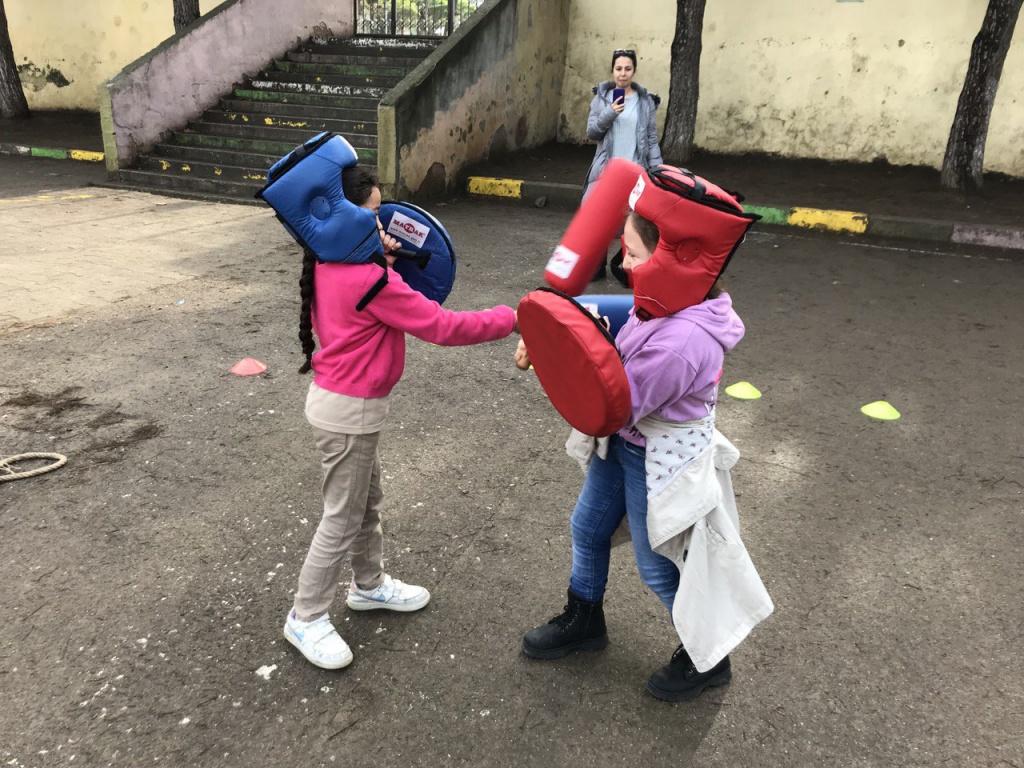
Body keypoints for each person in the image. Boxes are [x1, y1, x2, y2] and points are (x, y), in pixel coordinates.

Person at [515, 209, 761, 703]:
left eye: (633, 252)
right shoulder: (665, 303)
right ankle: (585, 617)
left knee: (657, 566)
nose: (622, 263)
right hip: (629, 443)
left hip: (657, 456)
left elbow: (608, 407)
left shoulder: (683, 342)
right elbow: (617, 314)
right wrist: (560, 320)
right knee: (588, 528)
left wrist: (550, 354)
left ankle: (708, 656)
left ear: (672, 261)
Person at [284, 165, 517, 670]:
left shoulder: (331, 263)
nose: (382, 224)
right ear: (344, 220)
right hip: (350, 414)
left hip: (343, 407)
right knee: (342, 518)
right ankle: (305, 616)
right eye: (372, 215)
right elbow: (442, 326)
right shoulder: (371, 281)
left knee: (364, 505)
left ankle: (368, 585)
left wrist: (382, 257)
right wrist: (513, 317)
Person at [583, 48, 663, 280]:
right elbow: (592, 132)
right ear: (612, 70)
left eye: (628, 68)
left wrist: (657, 170)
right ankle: (596, 264)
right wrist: (610, 112)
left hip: (635, 171)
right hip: (606, 170)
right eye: (618, 68)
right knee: (597, 218)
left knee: (635, 220)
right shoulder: (602, 99)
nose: (623, 73)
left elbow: (651, 139)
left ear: (634, 71)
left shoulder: (645, 102)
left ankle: (623, 264)